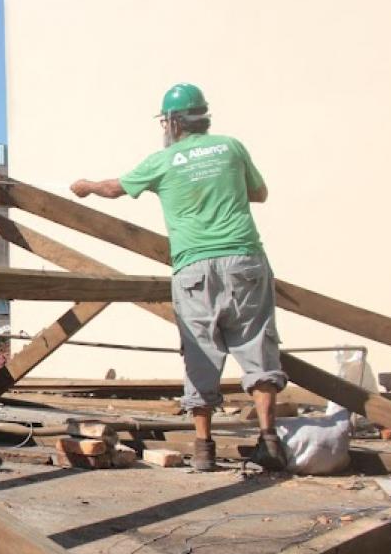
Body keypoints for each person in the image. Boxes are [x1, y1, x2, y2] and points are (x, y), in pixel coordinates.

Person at [70, 83, 288, 472]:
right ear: (203, 116)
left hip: (194, 266)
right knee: (257, 346)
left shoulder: (163, 160)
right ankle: (270, 443)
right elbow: (260, 193)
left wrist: (85, 186)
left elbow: (113, 188)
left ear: (171, 122)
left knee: (200, 351)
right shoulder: (231, 148)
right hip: (244, 259)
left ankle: (204, 449)